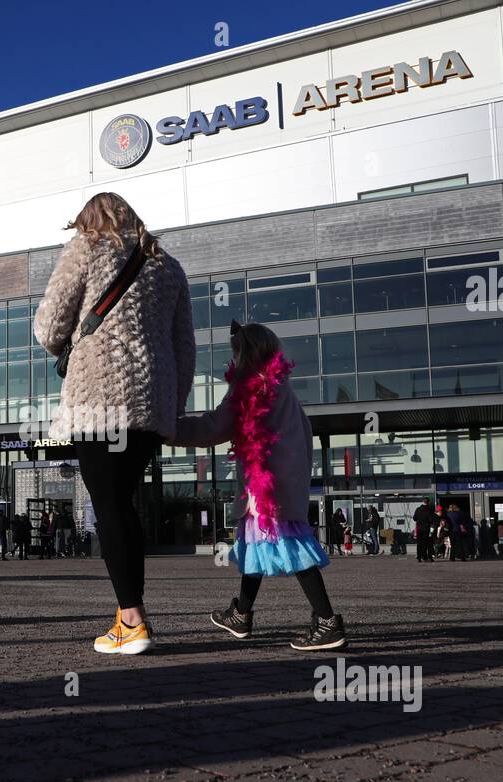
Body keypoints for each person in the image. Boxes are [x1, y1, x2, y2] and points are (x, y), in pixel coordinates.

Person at [33, 192, 195, 655]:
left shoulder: (86, 247)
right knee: (122, 505)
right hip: (151, 403)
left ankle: (132, 619)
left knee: (109, 508)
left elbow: (48, 329)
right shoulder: (170, 268)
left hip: (99, 398)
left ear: (88, 220)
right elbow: (185, 349)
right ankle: (128, 614)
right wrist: (173, 408)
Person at [174, 321, 345, 651]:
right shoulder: (282, 389)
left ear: (245, 353)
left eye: (235, 352)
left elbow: (214, 427)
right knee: (255, 547)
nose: (233, 358)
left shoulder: (251, 388)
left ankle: (327, 622)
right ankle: (241, 613)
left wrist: (170, 429)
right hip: (278, 485)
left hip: (267, 491)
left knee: (291, 549)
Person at [413, 497, 434, 562]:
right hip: (426, 528)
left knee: (419, 543)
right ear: (428, 502)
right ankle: (424, 557)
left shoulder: (418, 509)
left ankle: (419, 557)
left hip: (419, 528)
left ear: (423, 501)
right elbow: (431, 520)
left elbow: (414, 518)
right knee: (425, 543)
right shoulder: (429, 510)